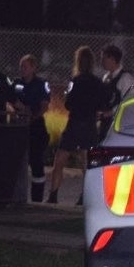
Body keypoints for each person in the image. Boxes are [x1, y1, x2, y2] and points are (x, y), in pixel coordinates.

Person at [46, 46, 110, 204]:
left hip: (74, 124)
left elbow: (68, 104)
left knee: (59, 161)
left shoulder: (75, 81)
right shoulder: (98, 83)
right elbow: (103, 104)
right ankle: (84, 197)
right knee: (86, 164)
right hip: (89, 125)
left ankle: (53, 196)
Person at [13, 54, 51, 203]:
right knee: (17, 163)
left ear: (34, 68)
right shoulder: (16, 83)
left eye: (25, 66)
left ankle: (37, 200)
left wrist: (32, 116)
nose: (22, 69)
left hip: (36, 127)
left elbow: (45, 106)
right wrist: (20, 108)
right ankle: (17, 197)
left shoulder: (41, 84)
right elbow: (11, 98)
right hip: (19, 126)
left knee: (37, 164)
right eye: (21, 66)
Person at [97, 44, 134, 142]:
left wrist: (109, 113)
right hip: (105, 123)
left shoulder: (125, 78)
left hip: (119, 125)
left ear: (112, 59)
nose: (101, 62)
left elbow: (130, 102)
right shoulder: (106, 77)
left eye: (104, 58)